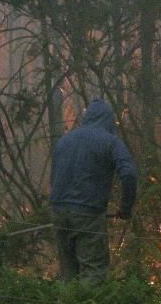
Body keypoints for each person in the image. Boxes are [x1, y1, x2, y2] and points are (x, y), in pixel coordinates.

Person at [49, 98, 138, 283]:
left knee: (69, 275)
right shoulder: (110, 141)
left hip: (58, 212)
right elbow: (129, 173)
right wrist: (126, 208)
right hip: (87, 214)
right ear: (109, 120)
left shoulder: (64, 141)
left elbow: (54, 176)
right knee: (93, 273)